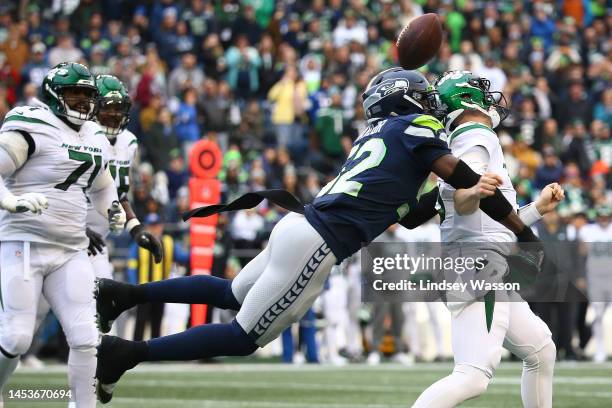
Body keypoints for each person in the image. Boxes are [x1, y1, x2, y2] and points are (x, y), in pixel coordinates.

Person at [93, 68, 541, 403]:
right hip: (319, 241)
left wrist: (453, 197)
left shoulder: (378, 134)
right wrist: (521, 227)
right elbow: (462, 175)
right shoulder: (416, 129)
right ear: (407, 100)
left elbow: (407, 215)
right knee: (244, 337)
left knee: (230, 293)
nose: (431, 104)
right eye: (423, 96)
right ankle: (128, 353)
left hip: (297, 225)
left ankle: (126, 294)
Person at [412, 71, 564, 408]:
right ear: (467, 99)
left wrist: (537, 209)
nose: (490, 97)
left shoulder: (461, 139)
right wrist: (476, 190)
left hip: (479, 257)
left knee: (540, 349)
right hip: (479, 264)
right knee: (472, 375)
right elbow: (468, 199)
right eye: (482, 92)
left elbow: (492, 220)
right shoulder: (475, 132)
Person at [0, 62, 126, 408]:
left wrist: (111, 208)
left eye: (88, 96)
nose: (83, 102)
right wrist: (11, 201)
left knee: (86, 337)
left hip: (71, 249)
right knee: (15, 337)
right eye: (75, 94)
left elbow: (101, 185)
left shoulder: (94, 135)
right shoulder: (33, 122)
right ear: (54, 95)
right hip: (23, 244)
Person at [85, 75, 163, 290]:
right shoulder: (78, 137)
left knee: (99, 307)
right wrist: (78, 228)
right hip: (63, 234)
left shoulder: (128, 142)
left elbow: (119, 193)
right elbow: (61, 189)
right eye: (107, 107)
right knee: (33, 314)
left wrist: (136, 229)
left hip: (97, 242)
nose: (113, 114)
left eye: (119, 108)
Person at [578, 205, 612, 363]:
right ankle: (600, 350)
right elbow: (581, 253)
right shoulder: (587, 230)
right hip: (595, 279)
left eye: (606, 216)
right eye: (601, 216)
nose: (604, 219)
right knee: (597, 315)